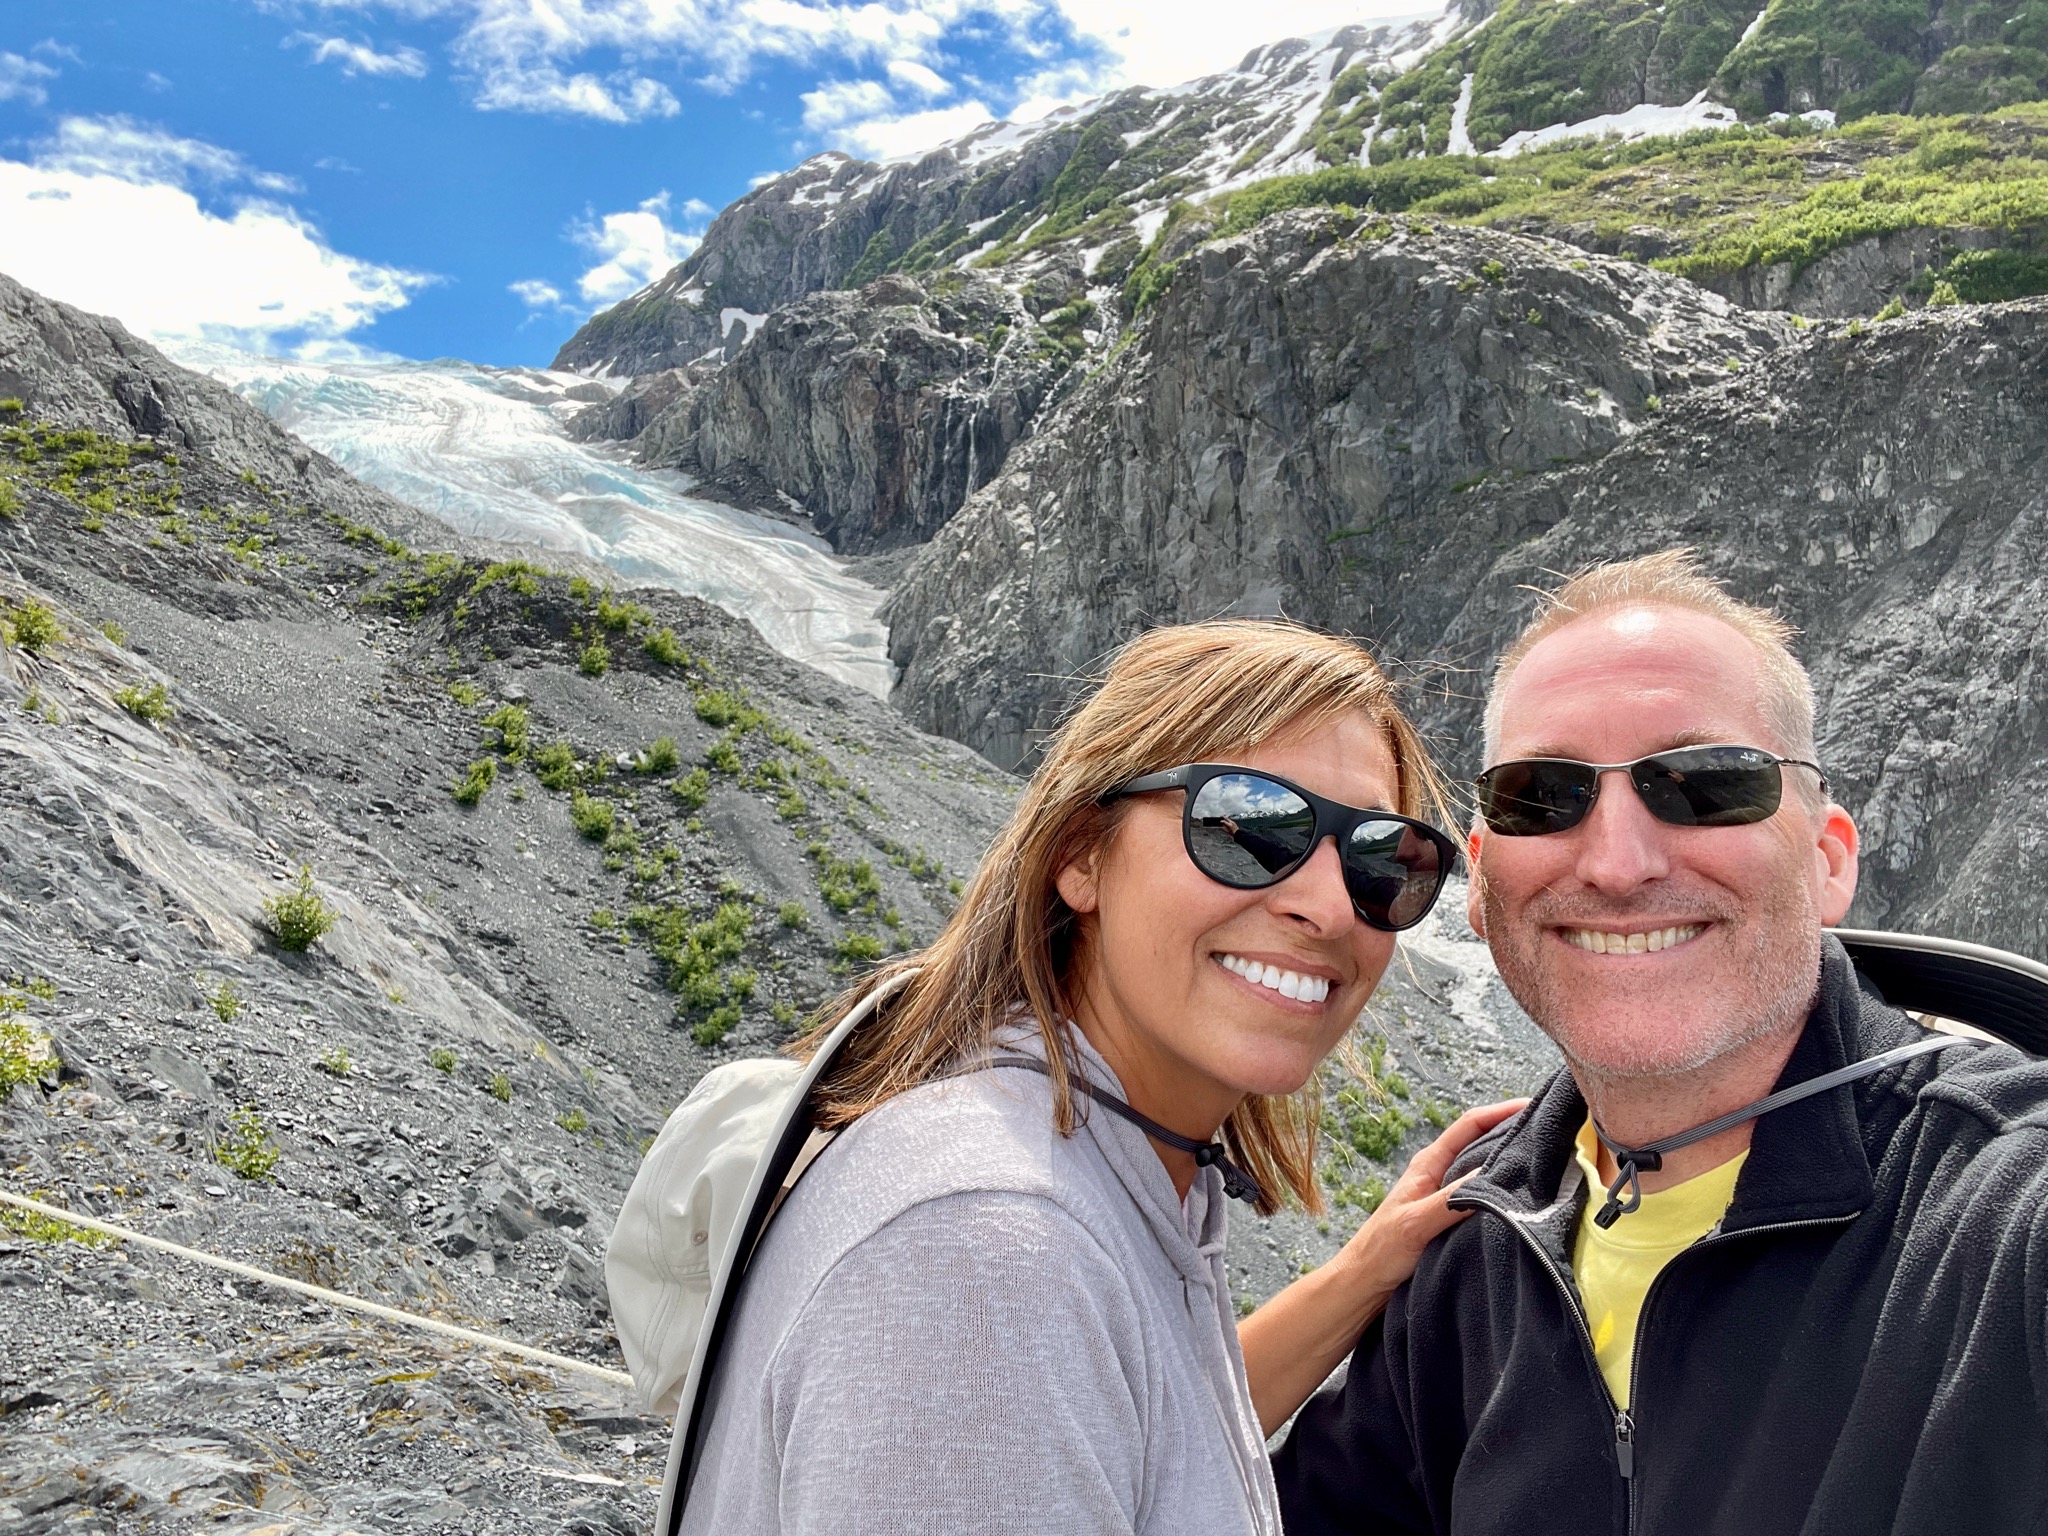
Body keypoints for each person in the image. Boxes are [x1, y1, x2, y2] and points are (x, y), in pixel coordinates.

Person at [674, 618, 1519, 1535]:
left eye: (1380, 860)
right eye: (1247, 826)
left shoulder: (1078, 1163)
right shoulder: (986, 1253)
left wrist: (1364, 1272)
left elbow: (1147, 1429)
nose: (1324, 907)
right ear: (1082, 855)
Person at [1272, 549, 2048, 1535]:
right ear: (1477, 876)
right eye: (1541, 796)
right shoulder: (1465, 1251)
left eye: (1702, 784)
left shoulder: (1999, 1214)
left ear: (1827, 859)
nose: (1616, 863)